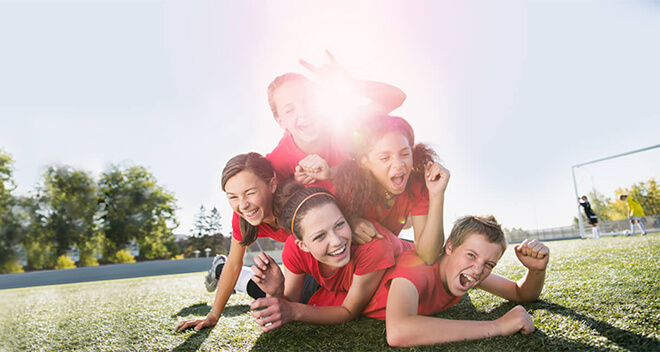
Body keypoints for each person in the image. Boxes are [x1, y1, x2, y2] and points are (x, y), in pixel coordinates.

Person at [361, 215, 550, 347]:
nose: (478, 270)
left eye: (489, 264)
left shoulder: (468, 270)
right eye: (471, 255)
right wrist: (497, 326)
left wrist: (535, 271)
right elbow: (398, 331)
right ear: (449, 247)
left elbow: (521, 293)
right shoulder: (419, 265)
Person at [248, 184, 414, 332]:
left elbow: (349, 310)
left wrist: (295, 311)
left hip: (408, 260)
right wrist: (275, 291)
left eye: (340, 224)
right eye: (320, 236)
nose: (336, 241)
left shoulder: (374, 249)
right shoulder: (294, 249)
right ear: (302, 245)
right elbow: (289, 303)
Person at [174, 153, 290, 332]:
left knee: (295, 300)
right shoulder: (242, 218)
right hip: (301, 263)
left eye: (250, 193)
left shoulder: (293, 204)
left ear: (272, 185)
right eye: (233, 197)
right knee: (283, 295)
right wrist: (213, 315)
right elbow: (235, 263)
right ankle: (220, 268)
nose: (242, 205)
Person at [265, 51, 407, 190]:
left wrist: (351, 83)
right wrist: (293, 186)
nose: (303, 113)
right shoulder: (277, 162)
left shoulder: (342, 125)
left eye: (308, 101)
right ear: (280, 121)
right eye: (290, 110)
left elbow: (396, 98)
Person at [334, 114, 448, 264]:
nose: (399, 164)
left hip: (385, 256)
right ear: (365, 162)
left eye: (405, 154)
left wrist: (437, 195)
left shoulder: (417, 186)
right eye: (385, 158)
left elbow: (427, 256)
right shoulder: (350, 183)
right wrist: (349, 222)